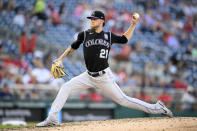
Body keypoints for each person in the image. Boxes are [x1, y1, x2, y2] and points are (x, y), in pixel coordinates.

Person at [37, 10, 173, 127]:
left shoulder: (108, 35)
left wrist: (133, 24)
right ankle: (52, 118)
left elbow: (125, 39)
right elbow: (73, 46)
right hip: (88, 76)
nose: (91, 20)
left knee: (123, 100)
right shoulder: (84, 35)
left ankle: (157, 108)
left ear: (102, 21)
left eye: (94, 19)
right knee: (66, 87)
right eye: (91, 19)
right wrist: (60, 58)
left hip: (104, 77)